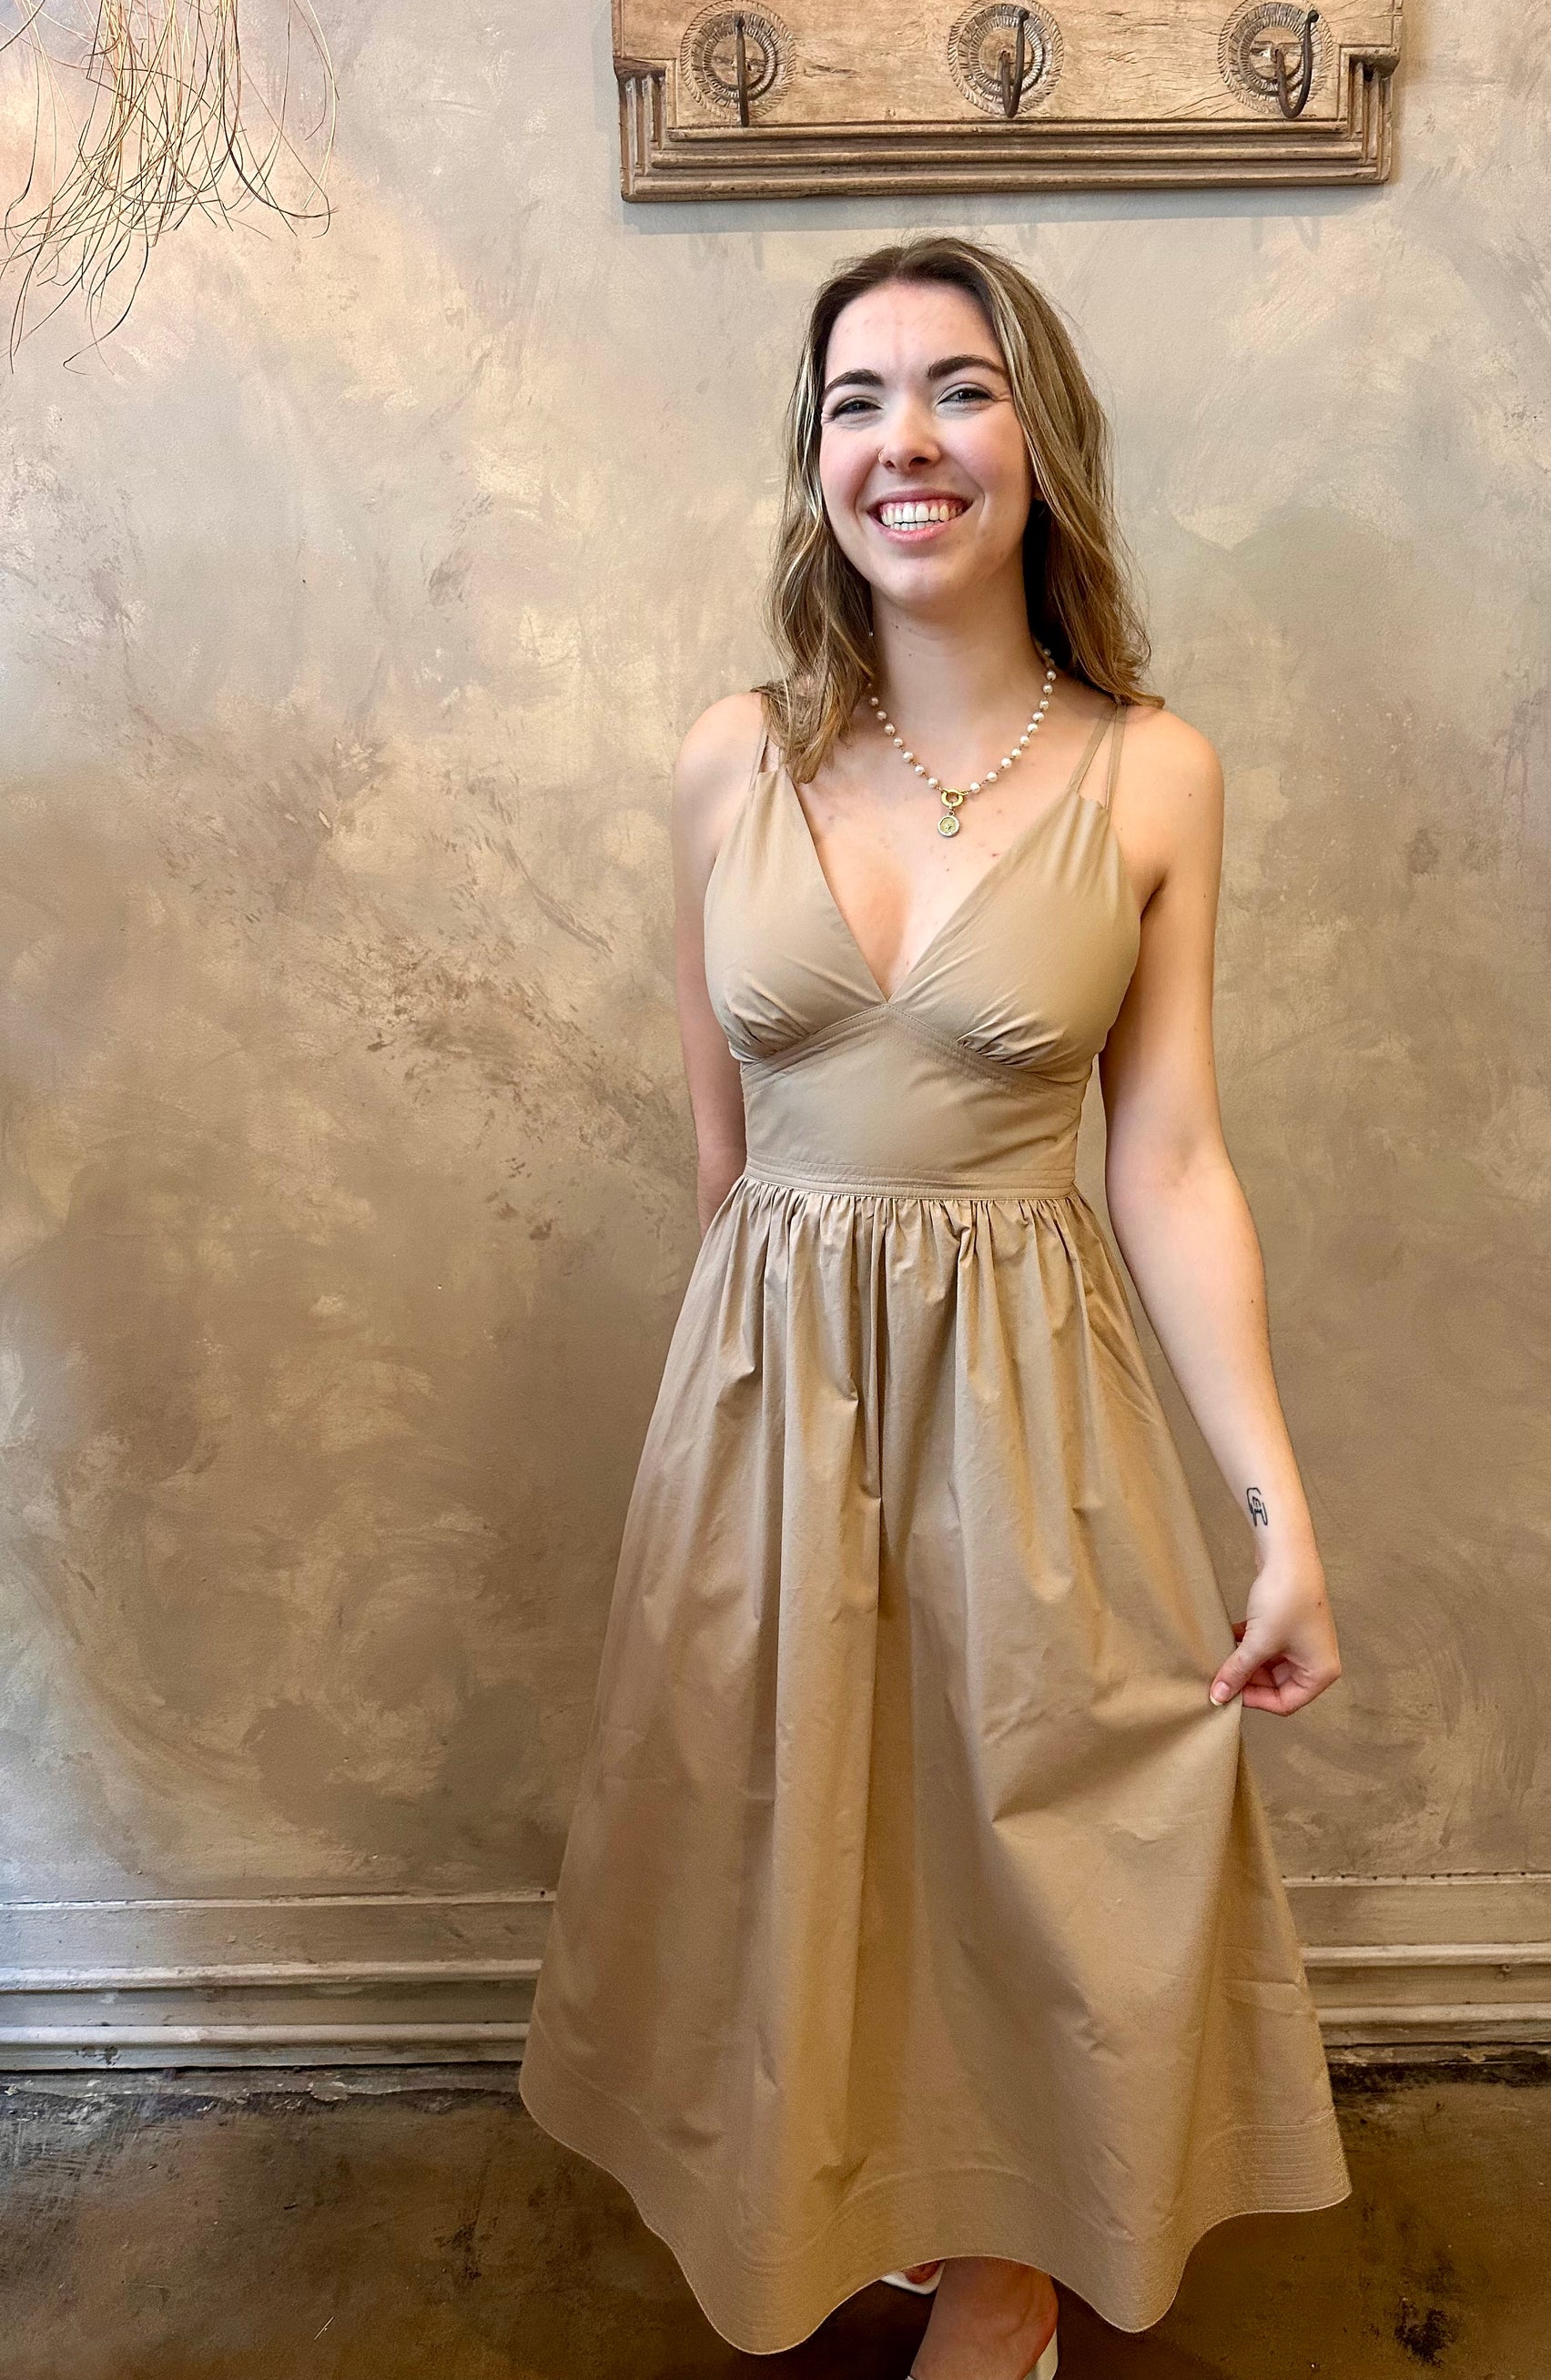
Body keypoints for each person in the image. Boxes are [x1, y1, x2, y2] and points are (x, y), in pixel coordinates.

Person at [518, 234, 1350, 2379]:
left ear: (1037, 437)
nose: (906, 439)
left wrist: (1275, 1505)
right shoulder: (729, 758)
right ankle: (863, 2187)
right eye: (855, 399)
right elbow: (723, 1151)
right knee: (792, 1827)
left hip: (1028, 1390)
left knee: (1035, 1842)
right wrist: (728, 1429)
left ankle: (1007, 2263)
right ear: (815, 463)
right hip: (769, 1382)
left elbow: (1168, 1156)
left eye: (958, 387)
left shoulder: (1154, 771)